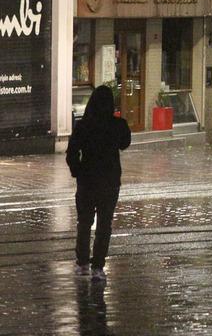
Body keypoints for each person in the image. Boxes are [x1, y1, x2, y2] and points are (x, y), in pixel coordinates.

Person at [65, 85, 131, 282]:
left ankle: (82, 263)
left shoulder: (84, 126)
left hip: (87, 181)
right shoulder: (117, 125)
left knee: (84, 222)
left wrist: (77, 171)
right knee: (104, 224)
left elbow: (71, 153)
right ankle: (98, 267)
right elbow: (125, 143)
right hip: (110, 181)